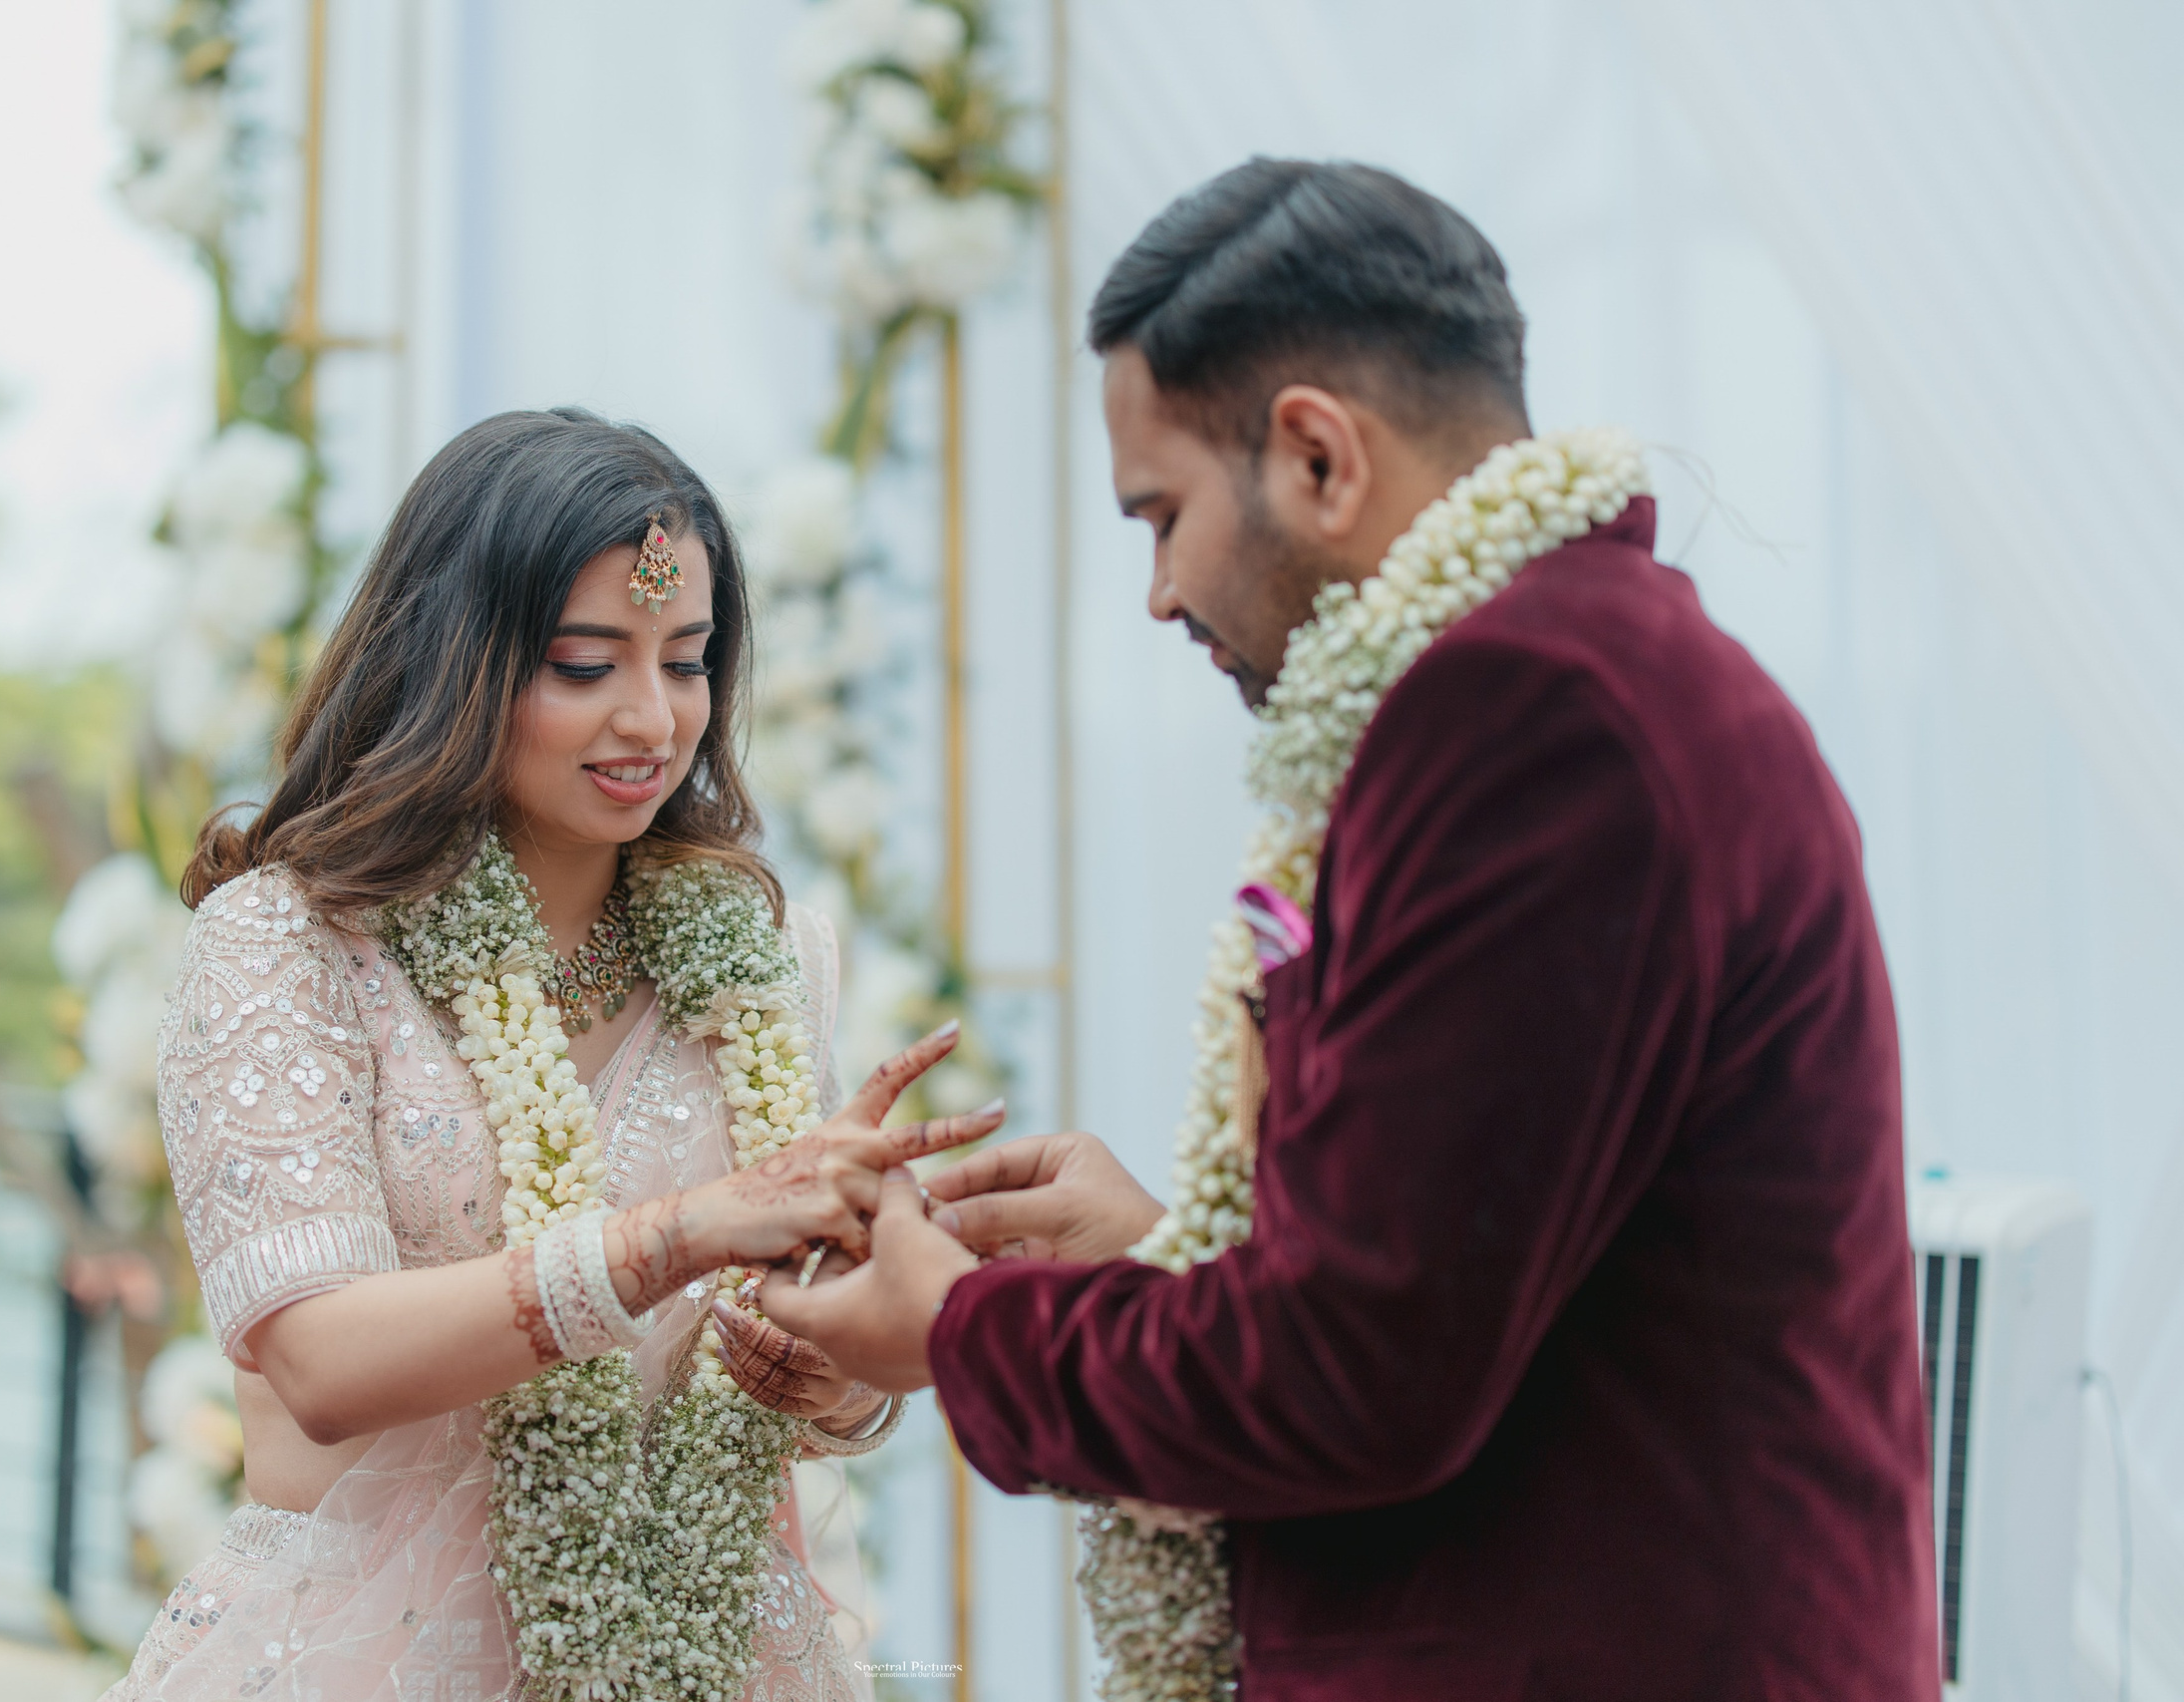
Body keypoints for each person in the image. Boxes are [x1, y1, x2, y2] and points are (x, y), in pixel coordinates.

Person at [766, 161, 1939, 1700]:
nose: (1161, 594)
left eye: (1163, 513)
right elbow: (1471, 1276)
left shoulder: (1534, 718)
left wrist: (966, 1329)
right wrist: (1171, 1265)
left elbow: (1358, 1374)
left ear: (1317, 455)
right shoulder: (1603, 670)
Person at [105, 408, 1001, 1702]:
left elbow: (801, 1403)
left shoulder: (763, 960)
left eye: (686, 662)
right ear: (453, 660)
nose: (652, 717)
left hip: (716, 1651)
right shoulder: (294, 944)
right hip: (367, 1656)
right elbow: (321, 1364)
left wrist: (840, 1378)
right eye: (586, 665)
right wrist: (674, 1239)